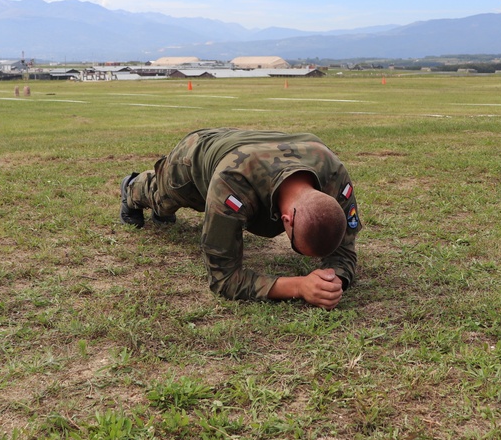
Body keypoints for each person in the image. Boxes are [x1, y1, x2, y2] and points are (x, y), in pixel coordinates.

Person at [120, 128, 360, 309]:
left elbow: (344, 250)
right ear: (286, 221)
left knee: (169, 210)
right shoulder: (234, 183)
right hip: (195, 156)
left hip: (254, 148)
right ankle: (130, 187)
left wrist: (333, 279)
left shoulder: (336, 178)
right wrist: (299, 286)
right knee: (163, 202)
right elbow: (224, 279)